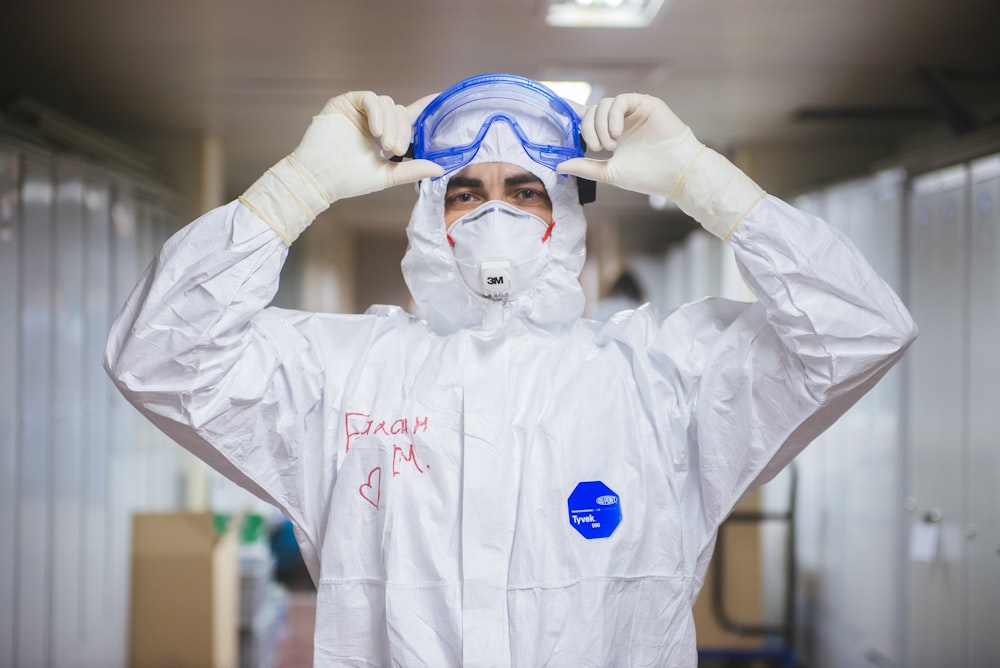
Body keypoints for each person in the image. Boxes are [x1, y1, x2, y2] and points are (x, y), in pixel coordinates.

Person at [105, 73, 916, 667]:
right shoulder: (345, 375)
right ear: (431, 216)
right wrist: (296, 188)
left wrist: (705, 182)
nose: (495, 212)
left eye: (526, 191)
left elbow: (859, 331)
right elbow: (159, 356)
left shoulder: (661, 376)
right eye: (466, 193)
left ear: (564, 218)